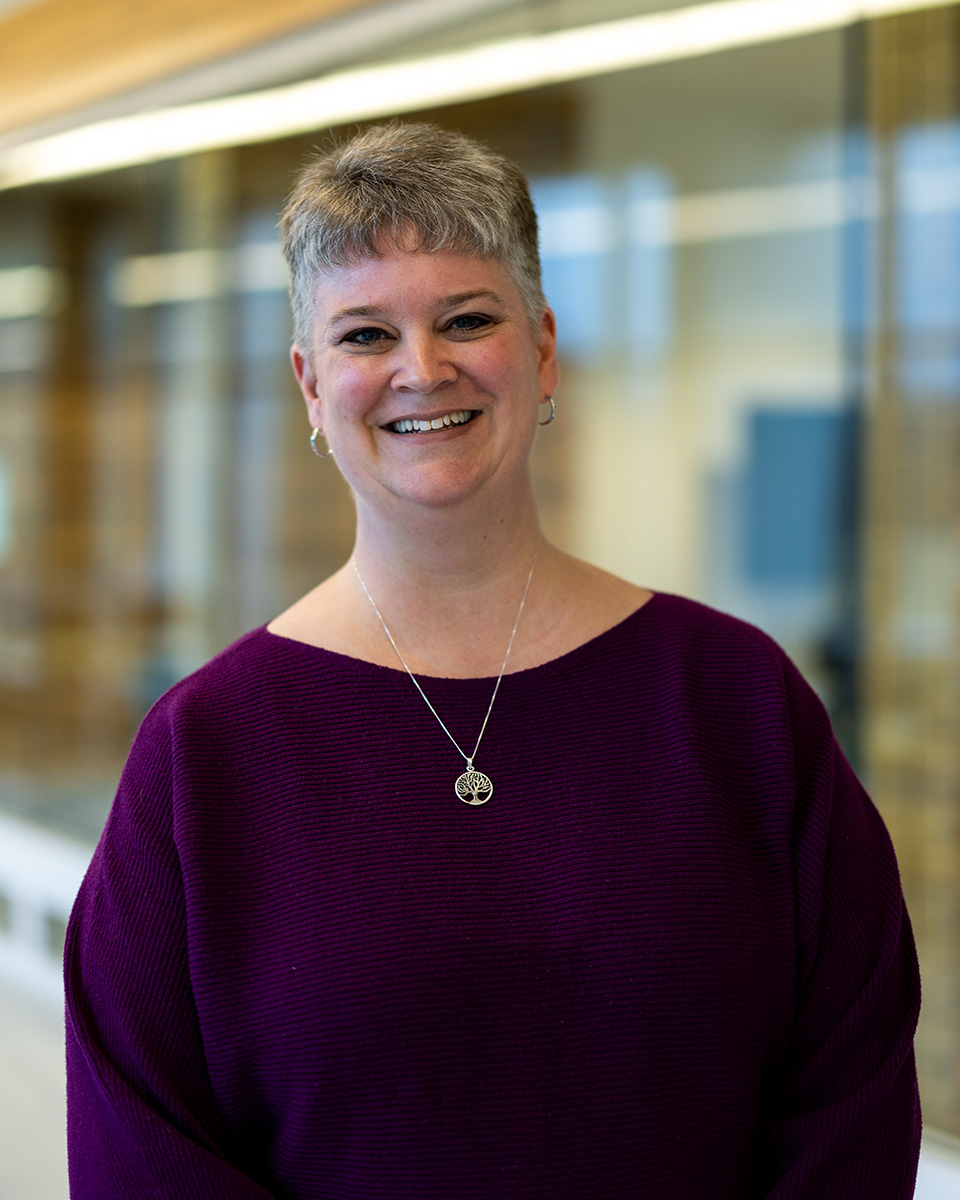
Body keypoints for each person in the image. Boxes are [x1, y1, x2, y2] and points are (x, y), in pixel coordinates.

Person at [65, 122, 921, 1199]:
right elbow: (142, 1157)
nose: (422, 369)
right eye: (365, 335)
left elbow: (851, 1104)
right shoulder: (205, 754)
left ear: (546, 347)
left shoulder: (740, 707)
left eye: (467, 318)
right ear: (308, 384)